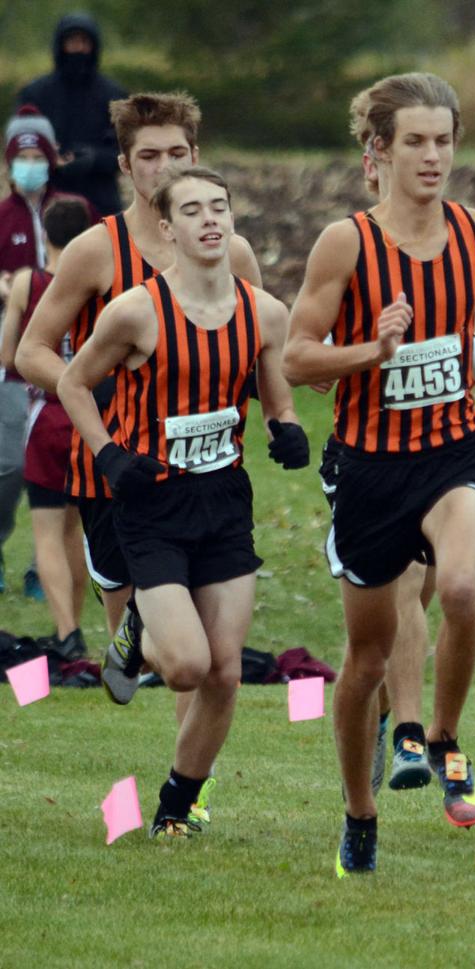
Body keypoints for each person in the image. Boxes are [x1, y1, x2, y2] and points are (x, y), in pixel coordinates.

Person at [282, 72, 475, 876]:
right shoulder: (345, 243)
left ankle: (446, 737)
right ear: (378, 152)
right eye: (415, 142)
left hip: (452, 451)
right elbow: (295, 356)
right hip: (369, 469)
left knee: (459, 587)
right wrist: (374, 351)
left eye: (444, 140)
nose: (432, 156)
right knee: (365, 661)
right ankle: (360, 811)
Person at [17, 92, 263, 831]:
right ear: (125, 166)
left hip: (208, 485)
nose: (163, 169)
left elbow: (260, 343)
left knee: (205, 659)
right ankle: (129, 637)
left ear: (197, 154)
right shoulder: (98, 250)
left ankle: (187, 800)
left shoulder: (234, 249)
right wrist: (108, 408)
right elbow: (32, 349)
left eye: (177, 154)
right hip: (114, 477)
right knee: (166, 645)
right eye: (148, 156)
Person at [57, 165, 308, 838]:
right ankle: (137, 621)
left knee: (224, 671)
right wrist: (108, 453)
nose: (210, 220)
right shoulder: (136, 310)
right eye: (193, 210)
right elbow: (75, 382)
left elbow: (275, 392)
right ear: (167, 228)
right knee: (187, 666)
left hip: (224, 500)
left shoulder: (265, 312)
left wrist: (286, 428)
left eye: (220, 207)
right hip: (152, 502)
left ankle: (175, 803)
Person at [0, 106, 95, 599]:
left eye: (39, 155)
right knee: (9, 465)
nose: (31, 164)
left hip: (70, 363)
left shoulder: (74, 210)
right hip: (16, 363)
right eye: (23, 156)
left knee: (68, 480)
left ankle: (47, 567)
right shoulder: (2, 217)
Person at [17, 13, 127, 215]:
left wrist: (94, 158)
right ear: (60, 45)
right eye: (72, 41)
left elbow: (125, 150)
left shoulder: (114, 95)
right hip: (47, 196)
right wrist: (50, 156)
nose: (79, 49)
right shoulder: (35, 93)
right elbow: (21, 144)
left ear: (94, 47)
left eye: (85, 42)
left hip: (100, 199)